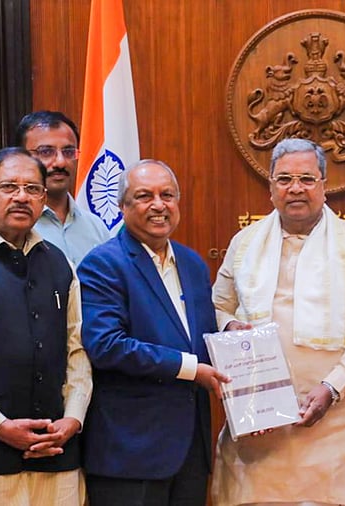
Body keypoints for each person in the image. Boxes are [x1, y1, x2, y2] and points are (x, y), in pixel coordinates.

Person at [211, 138, 345, 506]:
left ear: (325, 186)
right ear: (271, 188)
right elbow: (217, 307)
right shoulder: (244, 243)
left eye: (307, 179)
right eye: (284, 179)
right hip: (259, 428)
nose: (295, 188)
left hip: (336, 427)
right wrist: (231, 329)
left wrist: (333, 387)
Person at [0, 148, 92, 505]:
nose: (22, 197)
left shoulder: (58, 261)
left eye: (33, 189)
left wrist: (73, 419)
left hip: (59, 451)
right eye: (9, 186)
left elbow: (78, 347)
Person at [77, 159, 228, 506]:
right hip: (132, 451)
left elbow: (200, 337)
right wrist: (191, 369)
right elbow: (106, 345)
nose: (159, 205)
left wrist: (234, 335)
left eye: (168, 195)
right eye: (144, 196)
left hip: (190, 449)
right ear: (122, 206)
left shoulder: (191, 263)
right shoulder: (103, 263)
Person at [0, 111, 109, 265]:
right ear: (20, 156)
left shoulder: (96, 227)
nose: (60, 163)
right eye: (46, 152)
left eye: (68, 152)